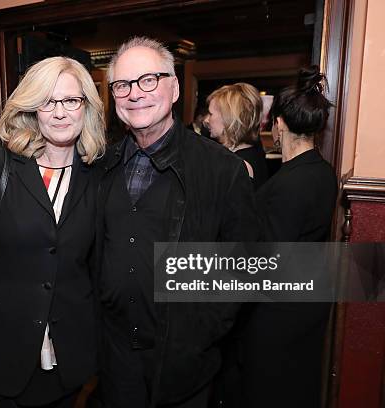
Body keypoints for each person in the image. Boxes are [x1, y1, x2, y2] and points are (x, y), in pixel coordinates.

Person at [96, 36, 259, 408]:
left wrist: (201, 334)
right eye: (122, 85)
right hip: (114, 359)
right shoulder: (100, 165)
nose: (135, 94)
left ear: (173, 88)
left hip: (183, 365)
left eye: (148, 80)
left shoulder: (223, 170)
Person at [0, 56, 106, 408]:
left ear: (87, 107)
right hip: (4, 350)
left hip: (71, 353)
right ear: (32, 108)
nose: (60, 112)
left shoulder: (99, 176)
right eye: (48, 101)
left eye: (71, 100)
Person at [239, 66, 337, 408]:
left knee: (268, 390)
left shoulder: (292, 183)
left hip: (277, 315)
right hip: (303, 304)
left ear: (279, 124)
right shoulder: (320, 171)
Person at [205, 83, 268, 190]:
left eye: (210, 114)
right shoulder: (253, 151)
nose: (206, 120)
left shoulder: (240, 165)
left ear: (228, 119)